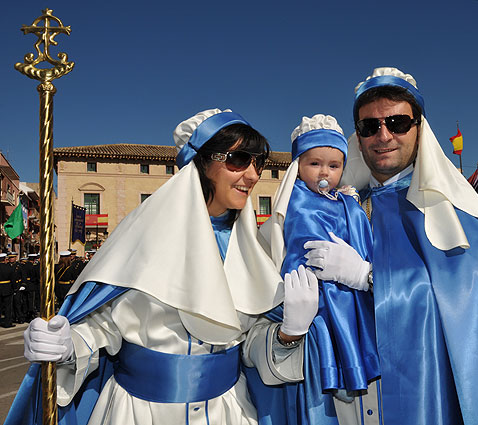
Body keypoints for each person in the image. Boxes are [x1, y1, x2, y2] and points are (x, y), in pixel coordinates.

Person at [303, 67, 478, 424]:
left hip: (430, 398)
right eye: (370, 126)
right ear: (358, 136)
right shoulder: (340, 207)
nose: (383, 135)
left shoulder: (460, 217)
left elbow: (465, 308)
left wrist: (368, 277)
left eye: (397, 123)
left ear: (419, 128)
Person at [6, 109, 289, 425]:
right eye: (238, 160)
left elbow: (250, 341)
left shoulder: (252, 247)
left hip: (231, 410)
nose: (252, 175)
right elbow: (104, 325)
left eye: (258, 164)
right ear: (201, 163)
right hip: (141, 413)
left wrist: (285, 335)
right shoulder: (144, 238)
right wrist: (66, 345)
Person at [244, 114, 379, 424]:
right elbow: (294, 249)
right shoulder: (296, 203)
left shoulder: (349, 205)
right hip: (314, 295)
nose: (324, 172)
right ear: (298, 167)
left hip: (347, 294)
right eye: (314, 164)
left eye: (334, 166)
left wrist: (361, 272)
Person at [0, 252, 17, 328]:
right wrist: (14, 288)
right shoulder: (9, 267)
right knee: (8, 307)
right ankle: (7, 322)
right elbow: (13, 279)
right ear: (5, 259)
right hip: (7, 288)